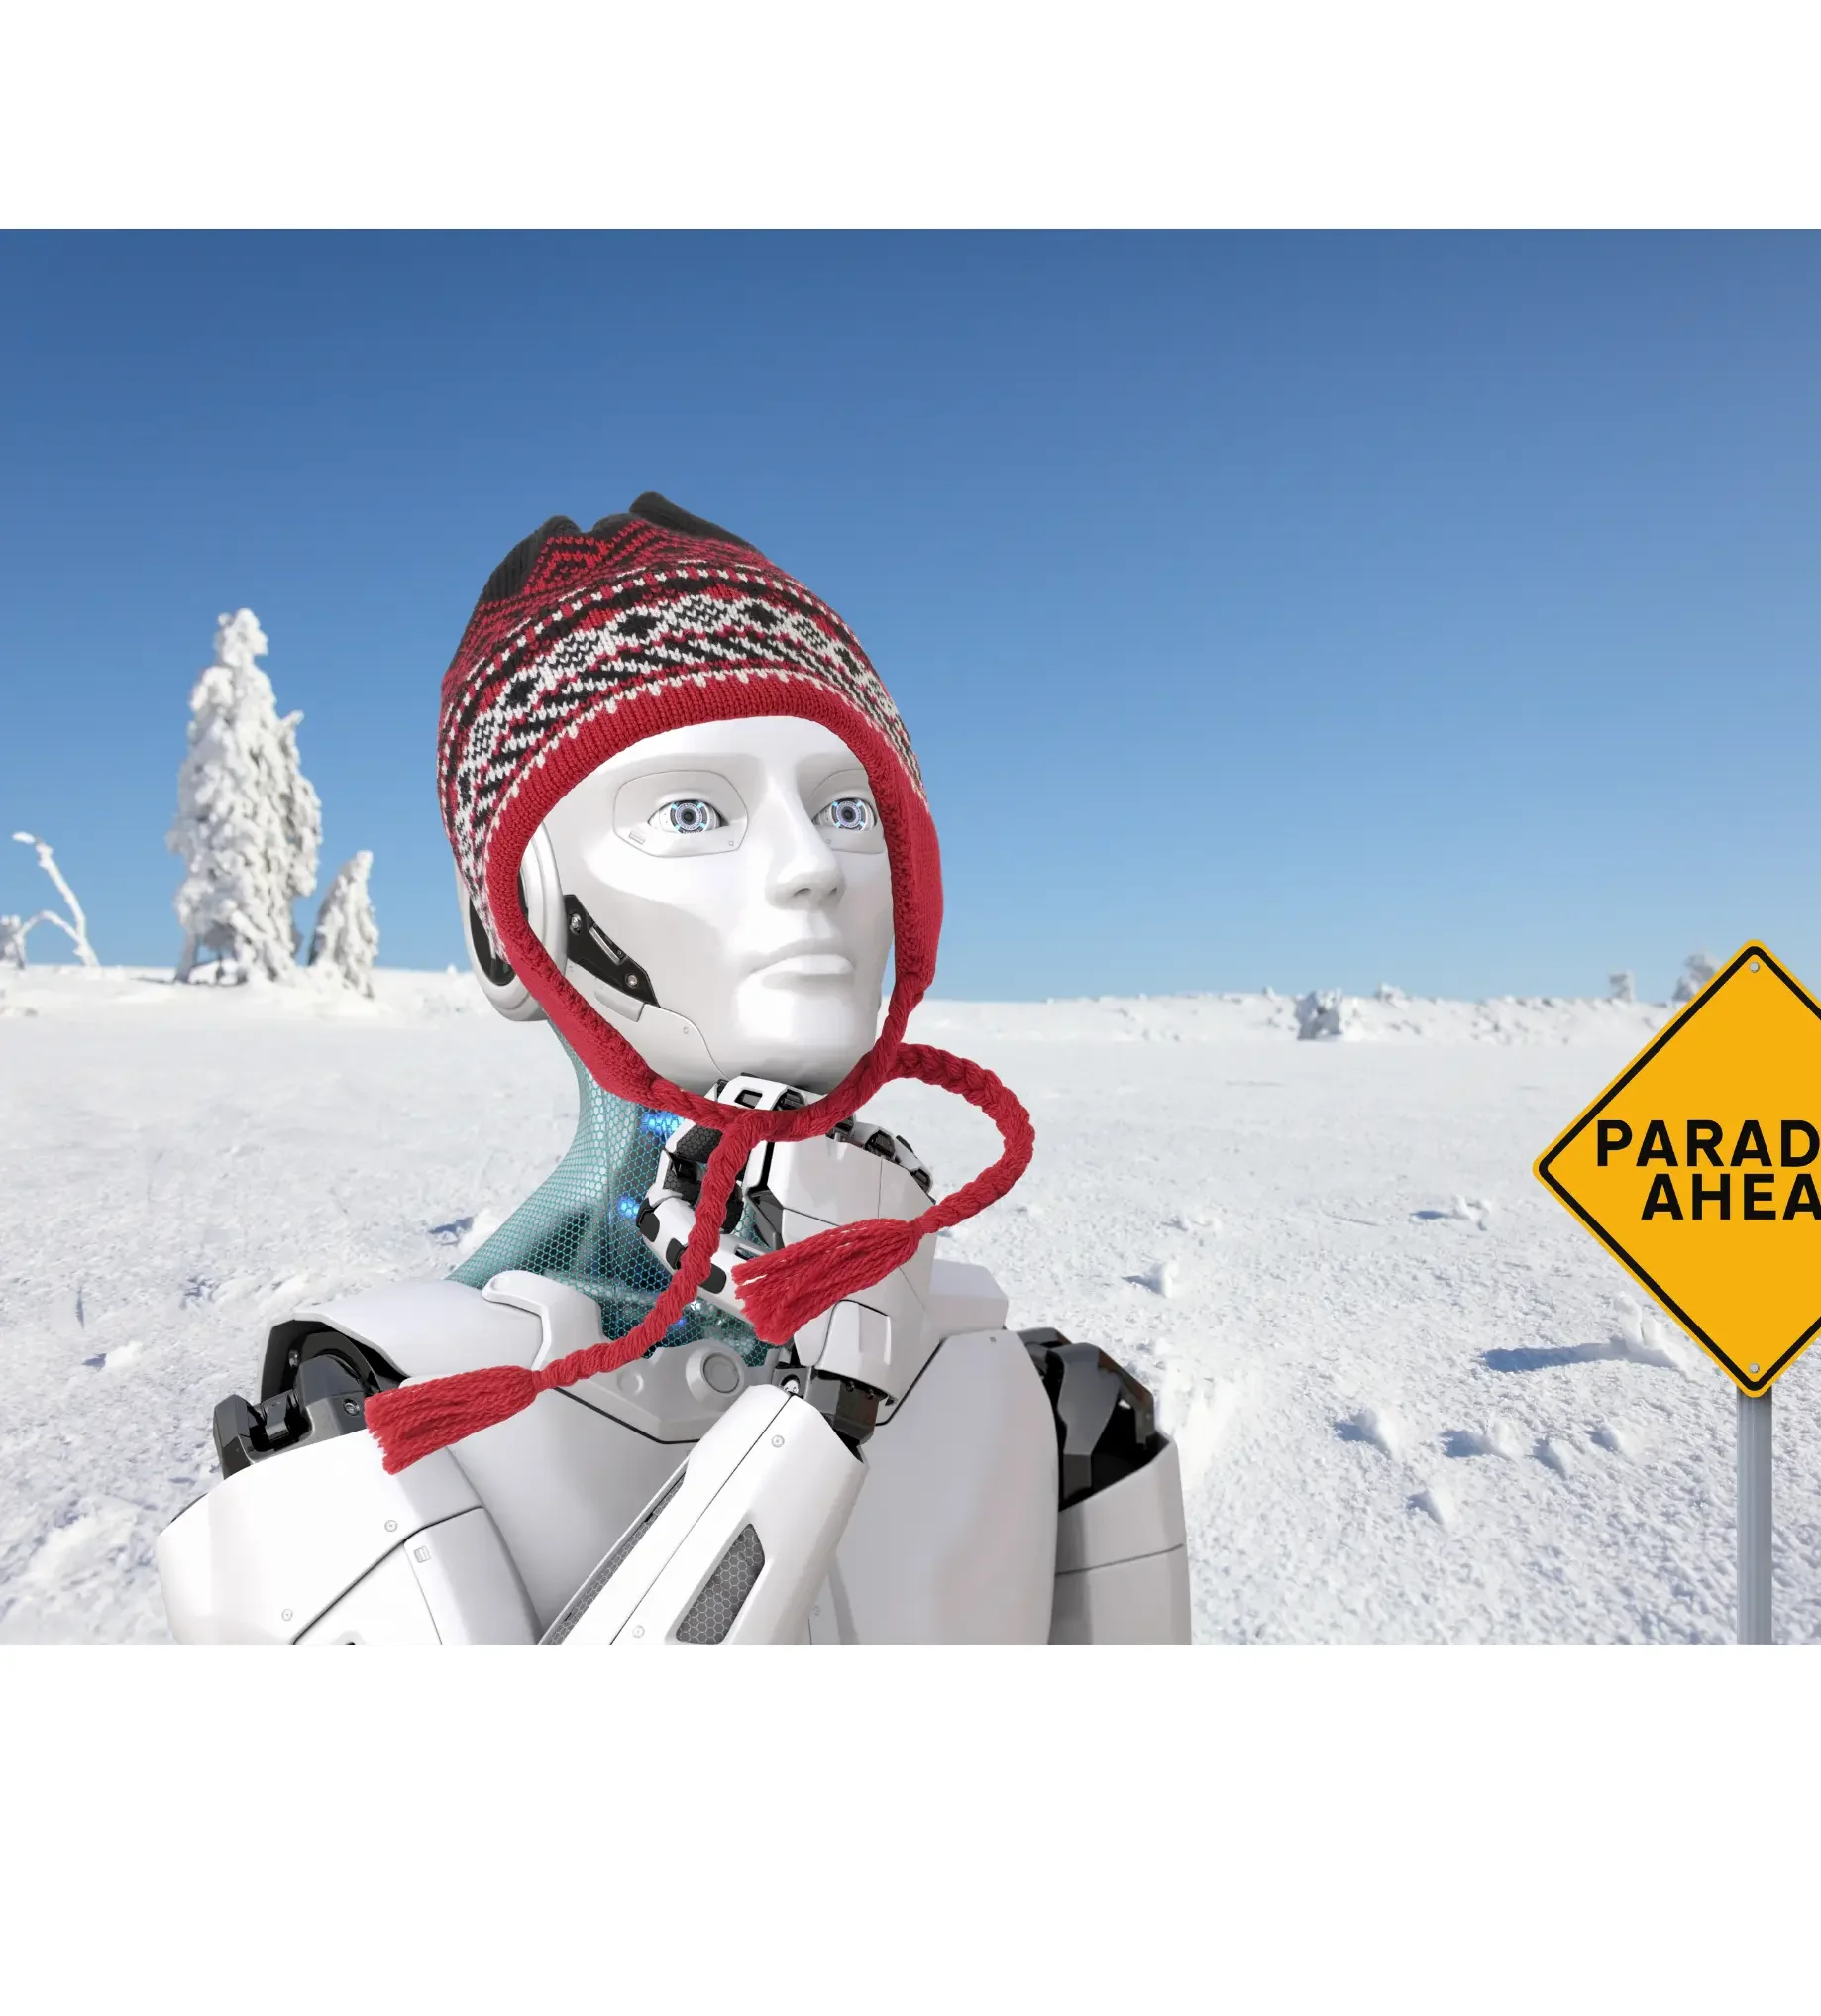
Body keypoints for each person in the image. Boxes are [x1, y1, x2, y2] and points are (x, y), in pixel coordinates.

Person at [157, 494, 1190, 1644]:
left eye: (847, 808)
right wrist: (827, 1405)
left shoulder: (1050, 1407)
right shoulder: (372, 1419)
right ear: (508, 928)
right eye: (692, 812)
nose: (811, 867)